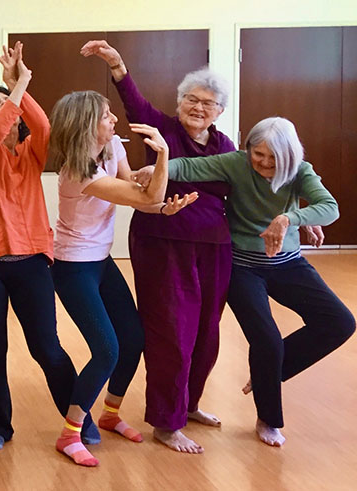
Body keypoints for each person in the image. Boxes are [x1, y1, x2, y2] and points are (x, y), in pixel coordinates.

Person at [135, 117, 354, 447]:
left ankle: (268, 371)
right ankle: (268, 419)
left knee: (340, 322)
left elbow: (330, 207)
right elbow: (191, 167)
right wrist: (157, 169)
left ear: (290, 156)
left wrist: (290, 218)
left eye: (273, 158)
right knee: (267, 340)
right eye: (258, 154)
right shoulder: (235, 163)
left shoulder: (301, 171)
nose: (264, 163)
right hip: (242, 268)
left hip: (287, 263)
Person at [80, 39, 235, 453]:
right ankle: (167, 423)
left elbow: (247, 191)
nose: (198, 108)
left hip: (215, 249)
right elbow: (133, 102)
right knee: (172, 332)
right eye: (191, 99)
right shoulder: (161, 128)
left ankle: (191, 404)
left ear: (220, 111)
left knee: (207, 333)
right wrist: (117, 65)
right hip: (163, 245)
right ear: (180, 101)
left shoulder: (226, 148)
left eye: (208, 103)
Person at [0, 42, 99, 450]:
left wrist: (21, 84)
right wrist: (14, 90)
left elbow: (45, 127)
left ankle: (78, 417)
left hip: (31, 263)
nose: (6, 111)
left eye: (10, 105)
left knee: (46, 346)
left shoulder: (33, 153)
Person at [47, 90, 188, 467]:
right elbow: (143, 196)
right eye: (106, 116)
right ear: (85, 126)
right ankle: (69, 433)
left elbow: (144, 194)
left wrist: (161, 205)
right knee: (107, 350)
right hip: (74, 266)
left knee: (133, 339)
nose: (114, 121)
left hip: (101, 261)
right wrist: (162, 157)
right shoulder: (78, 172)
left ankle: (110, 413)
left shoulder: (112, 150)